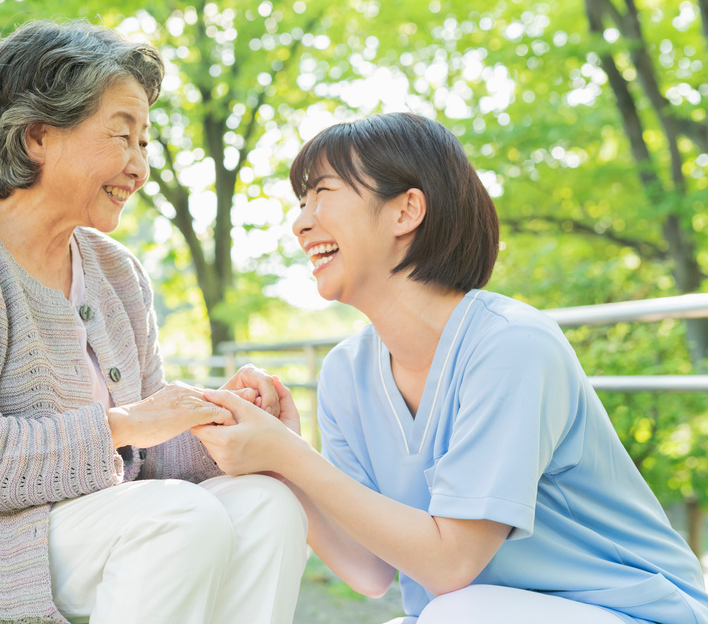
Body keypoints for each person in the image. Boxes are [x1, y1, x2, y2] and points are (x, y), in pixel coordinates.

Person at [192, 112, 708, 624]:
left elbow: (452, 564)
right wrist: (281, 457)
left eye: (323, 192)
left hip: (633, 611)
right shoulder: (346, 373)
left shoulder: (512, 345)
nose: (301, 222)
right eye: (302, 202)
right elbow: (370, 570)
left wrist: (291, 454)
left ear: (406, 211)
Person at [0, 19, 307, 624]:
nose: (140, 166)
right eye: (122, 136)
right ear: (37, 137)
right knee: (182, 518)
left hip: (119, 518)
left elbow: (152, 459)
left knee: (269, 504)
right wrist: (123, 424)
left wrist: (217, 419)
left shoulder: (116, 270)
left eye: (145, 142)